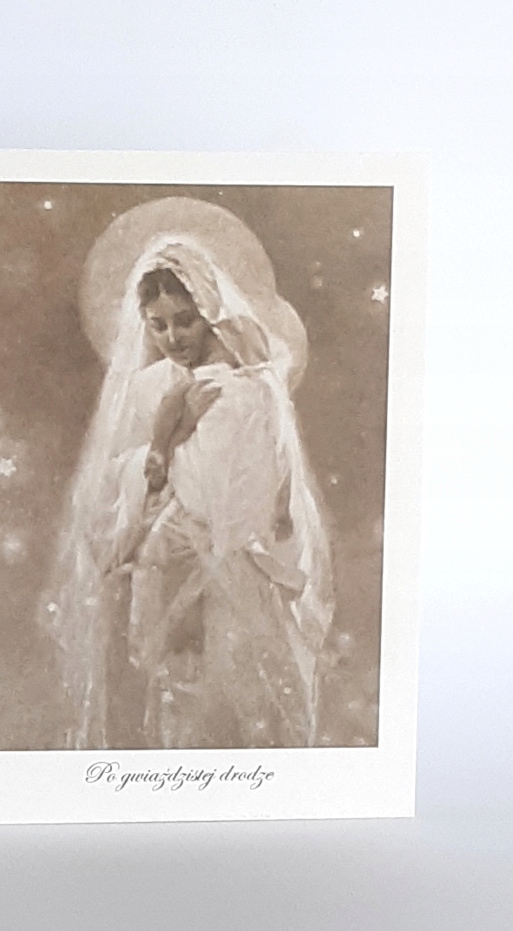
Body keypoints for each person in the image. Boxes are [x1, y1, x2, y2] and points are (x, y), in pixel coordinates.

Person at [45, 236, 334, 750]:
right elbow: (123, 484)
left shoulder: (247, 388)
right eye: (158, 324)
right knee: (178, 690)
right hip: (167, 562)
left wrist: (177, 453)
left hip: (235, 562)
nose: (173, 337)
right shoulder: (149, 387)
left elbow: (241, 489)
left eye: (185, 320)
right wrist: (172, 433)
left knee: (243, 694)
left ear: (209, 314)